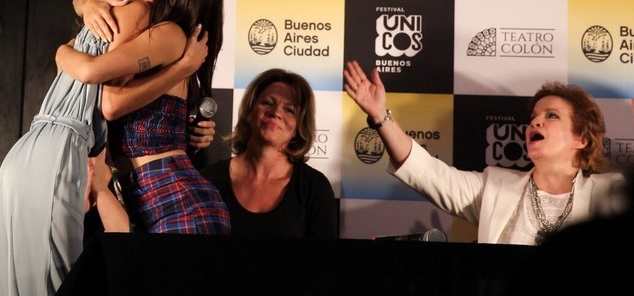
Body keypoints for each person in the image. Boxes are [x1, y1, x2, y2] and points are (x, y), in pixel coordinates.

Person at [0, 0, 214, 296]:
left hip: (38, 151)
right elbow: (102, 89)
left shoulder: (153, 23)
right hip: (67, 155)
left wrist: (67, 43)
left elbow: (107, 99)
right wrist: (83, 9)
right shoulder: (136, 18)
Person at [343, 60, 630, 245]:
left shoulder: (610, 193)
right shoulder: (494, 186)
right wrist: (380, 117)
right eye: (533, 117)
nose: (535, 122)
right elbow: (428, 173)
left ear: (582, 138)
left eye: (551, 116)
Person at [55, 0, 231, 235]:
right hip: (144, 203)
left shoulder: (171, 35)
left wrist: (62, 52)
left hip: (180, 204)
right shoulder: (152, 37)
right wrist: (88, 2)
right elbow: (80, 1)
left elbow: (110, 105)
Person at [200, 68, 338, 237]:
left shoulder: (314, 188)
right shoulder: (208, 180)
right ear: (249, 112)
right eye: (268, 103)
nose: (276, 113)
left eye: (289, 110)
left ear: (298, 127)